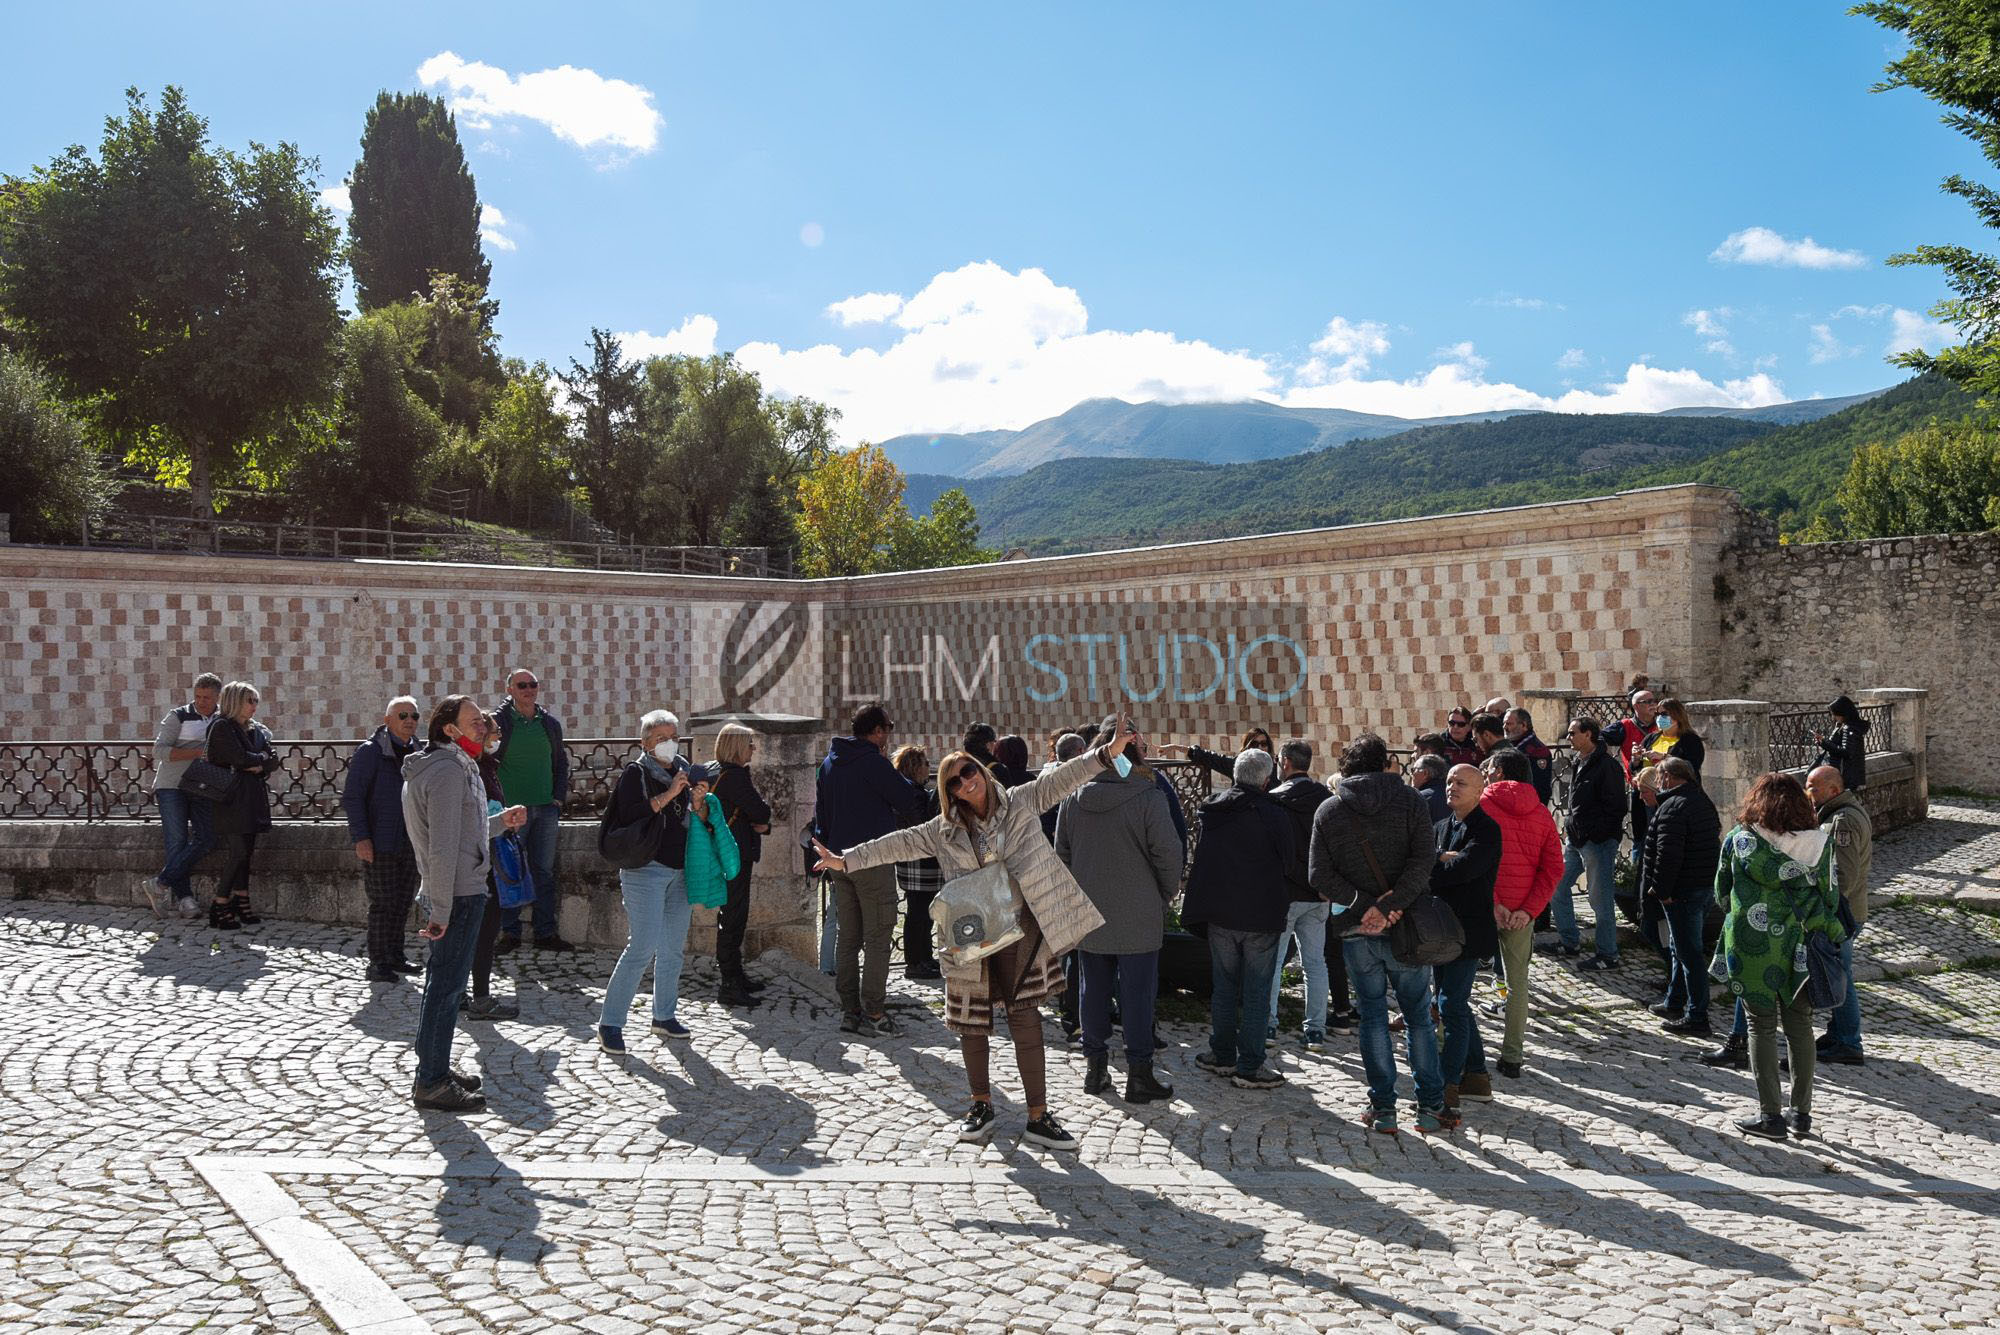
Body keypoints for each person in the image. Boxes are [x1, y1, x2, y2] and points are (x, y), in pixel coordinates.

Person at [811, 723, 1139, 1151]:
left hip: (1020, 928)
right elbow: (898, 843)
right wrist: (846, 860)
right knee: (971, 1024)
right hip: (971, 933)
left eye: (969, 772)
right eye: (954, 782)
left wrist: (1107, 753)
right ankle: (981, 1105)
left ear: (981, 771)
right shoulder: (943, 830)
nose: (966, 782)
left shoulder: (1021, 800)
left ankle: (1038, 1115)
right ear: (950, 792)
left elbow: (1065, 777)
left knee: (1025, 1018)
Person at [1311, 733, 1444, 1135]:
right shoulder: (1410, 801)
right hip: (1406, 926)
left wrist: (1365, 906)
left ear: (1346, 766)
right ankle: (1430, 1106)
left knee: (1371, 1016)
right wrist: (1389, 906)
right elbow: (1424, 860)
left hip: (1357, 928)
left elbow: (1318, 876)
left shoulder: (1330, 809)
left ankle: (1384, 1107)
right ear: (1386, 763)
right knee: (1418, 1015)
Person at [403, 694, 528, 1111]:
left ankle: (432, 1069)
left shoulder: (453, 766)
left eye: (483, 722)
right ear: (449, 728)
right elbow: (441, 847)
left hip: (457, 888)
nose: (484, 728)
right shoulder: (447, 771)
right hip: (456, 892)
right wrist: (440, 909)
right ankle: (432, 1081)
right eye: (475, 722)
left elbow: (461, 833)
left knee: (443, 985)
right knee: (446, 989)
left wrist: (498, 823)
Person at [1052, 719, 1181, 1103]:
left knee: (1092, 990)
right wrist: (1163, 893)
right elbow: (1168, 854)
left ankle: (1095, 1069)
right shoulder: (1149, 797)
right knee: (1137, 995)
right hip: (1138, 909)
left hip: (1090, 909)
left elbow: (1061, 854)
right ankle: (1139, 1074)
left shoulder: (1074, 798)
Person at [1715, 773, 1846, 1140]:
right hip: (1801, 945)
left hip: (1751, 944)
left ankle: (1770, 1115)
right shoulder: (1820, 845)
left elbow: (1721, 892)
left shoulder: (1739, 841)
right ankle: (1801, 1113)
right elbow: (1831, 896)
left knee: (1760, 1025)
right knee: (1800, 1024)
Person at [1181, 748, 1295, 1090]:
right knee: (1256, 992)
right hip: (1260, 914)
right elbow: (1288, 862)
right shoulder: (1274, 814)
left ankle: (1222, 1054)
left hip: (1221, 912)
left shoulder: (1214, 810)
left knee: (1225, 987)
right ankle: (1249, 1065)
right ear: (1266, 780)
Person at [596, 710, 706, 1052]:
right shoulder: (636, 773)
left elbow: (694, 818)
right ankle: (610, 1023)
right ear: (645, 743)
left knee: (673, 948)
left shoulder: (684, 771)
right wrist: (671, 793)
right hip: (645, 869)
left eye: (673, 737)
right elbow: (631, 814)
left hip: (680, 869)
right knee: (642, 946)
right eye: (661, 738)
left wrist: (698, 801)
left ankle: (664, 1015)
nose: (669, 744)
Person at [814, 704, 925, 1037]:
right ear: (877, 731)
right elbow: (907, 799)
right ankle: (874, 1012)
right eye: (888, 727)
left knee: (849, 937)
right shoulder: (873, 762)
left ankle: (850, 1010)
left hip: (838, 859)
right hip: (872, 858)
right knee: (878, 936)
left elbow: (822, 814)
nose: (888, 734)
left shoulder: (829, 763)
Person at [1479, 748, 1562, 1079]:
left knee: (1457, 979)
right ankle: (1512, 1055)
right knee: (1518, 983)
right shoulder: (1541, 813)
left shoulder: (1481, 806)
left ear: (1498, 772)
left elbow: (1475, 859)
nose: (1485, 773)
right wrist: (1528, 910)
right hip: (1520, 911)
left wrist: (1494, 902)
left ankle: (1447, 1044)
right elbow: (1553, 868)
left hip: (1482, 906)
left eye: (1489, 768)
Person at [1432, 764, 1501, 1122]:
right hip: (1439, 930)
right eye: (1449, 781)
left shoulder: (1487, 830)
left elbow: (1464, 871)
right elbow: (1428, 866)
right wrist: (1439, 859)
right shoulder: (1441, 827)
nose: (1452, 787)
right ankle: (1477, 1076)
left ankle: (1448, 1083)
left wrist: (1441, 864)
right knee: (1452, 1002)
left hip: (1468, 932)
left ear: (1479, 790)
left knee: (1451, 1004)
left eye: (1460, 783)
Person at [343, 696, 425, 982]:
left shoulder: (419, 752)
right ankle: (377, 962)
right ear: (388, 720)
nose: (409, 721)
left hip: (411, 840)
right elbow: (353, 797)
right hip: (380, 841)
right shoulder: (371, 752)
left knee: (403, 902)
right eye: (403, 716)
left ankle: (395, 955)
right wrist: (361, 838)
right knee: (382, 903)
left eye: (414, 716)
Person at [492, 667, 574, 954]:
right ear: (510, 690)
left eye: (533, 684)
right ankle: (509, 933)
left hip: (546, 808)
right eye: (522, 685)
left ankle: (545, 933)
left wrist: (558, 798)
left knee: (544, 872)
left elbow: (560, 762)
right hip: (511, 812)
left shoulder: (549, 723)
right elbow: (487, 762)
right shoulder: (499, 722)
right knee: (509, 870)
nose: (528, 689)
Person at [1639, 756, 1722, 1038]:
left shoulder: (1673, 806)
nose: (1659, 781)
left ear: (1670, 777)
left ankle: (1697, 1016)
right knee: (1679, 948)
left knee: (1689, 953)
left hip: (1683, 891)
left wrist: (1662, 891)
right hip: (1702, 886)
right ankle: (1674, 1002)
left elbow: (1668, 854)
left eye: (1660, 776)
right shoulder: (1701, 801)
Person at [1267, 740, 1342, 1047]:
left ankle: (1268, 1025)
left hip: (1285, 892)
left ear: (1285, 762)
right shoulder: (1327, 799)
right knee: (1315, 963)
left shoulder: (1275, 800)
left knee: (1273, 963)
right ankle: (1315, 1029)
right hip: (1317, 893)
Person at [1807, 763, 1873, 1066]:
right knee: (1838, 975)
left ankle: (1848, 1041)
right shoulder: (1838, 813)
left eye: (1813, 787)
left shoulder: (1842, 821)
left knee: (1841, 978)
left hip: (1842, 914)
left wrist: (1825, 912)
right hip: (1848, 911)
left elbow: (1843, 876)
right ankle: (1838, 1034)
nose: (1808, 792)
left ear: (1833, 790)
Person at [1549, 717, 1626, 969]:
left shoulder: (1606, 765)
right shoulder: (1579, 761)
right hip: (1576, 838)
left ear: (1588, 734)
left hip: (1597, 841)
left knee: (1599, 899)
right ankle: (1569, 941)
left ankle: (1608, 954)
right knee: (1557, 886)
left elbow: (1616, 806)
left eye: (1573, 733)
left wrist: (1596, 833)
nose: (1568, 737)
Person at [144, 671, 222, 919]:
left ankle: (160, 883)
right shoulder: (178, 716)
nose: (201, 702)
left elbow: (257, 730)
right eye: (198, 696)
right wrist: (198, 752)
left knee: (207, 838)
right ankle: (185, 899)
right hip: (172, 786)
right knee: (176, 841)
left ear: (217, 697)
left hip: (202, 787)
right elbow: (159, 751)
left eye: (206, 698)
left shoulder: (223, 718)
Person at [204, 681, 277, 931]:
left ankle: (241, 900)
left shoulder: (254, 729)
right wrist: (259, 760)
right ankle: (219, 904)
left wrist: (259, 763)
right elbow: (239, 758)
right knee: (237, 852)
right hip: (231, 799)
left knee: (247, 852)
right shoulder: (222, 727)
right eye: (249, 701)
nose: (254, 706)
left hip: (252, 797)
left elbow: (273, 759)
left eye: (256, 701)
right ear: (235, 701)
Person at [711, 721, 774, 1005]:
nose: (753, 749)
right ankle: (729, 983)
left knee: (732, 914)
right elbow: (760, 811)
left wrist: (761, 824)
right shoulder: (735, 777)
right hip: (735, 855)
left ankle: (735, 975)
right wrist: (761, 821)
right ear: (737, 747)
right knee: (733, 917)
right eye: (749, 744)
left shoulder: (721, 773)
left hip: (729, 852)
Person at [465, 708, 520, 1021]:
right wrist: (504, 819)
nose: (500, 737)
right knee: (483, 932)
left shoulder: (486, 767)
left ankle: (464, 993)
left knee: (477, 932)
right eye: (496, 731)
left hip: (484, 856)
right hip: (481, 860)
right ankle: (480, 997)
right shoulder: (475, 770)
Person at [891, 745, 944, 981]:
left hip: (915, 861)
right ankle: (915, 961)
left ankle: (924, 957)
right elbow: (922, 824)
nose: (928, 768)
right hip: (919, 862)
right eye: (925, 764)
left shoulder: (909, 790)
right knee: (918, 913)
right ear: (914, 767)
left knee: (922, 911)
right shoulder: (913, 793)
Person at [1635, 697, 1706, 779]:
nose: (1659, 717)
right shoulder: (1650, 738)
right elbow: (1635, 769)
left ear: (1678, 716)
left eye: (1664, 714)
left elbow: (1692, 767)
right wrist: (1636, 759)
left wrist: (1664, 757)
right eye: (1657, 714)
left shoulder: (1691, 739)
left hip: (1678, 786)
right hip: (1649, 785)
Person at [1814, 695, 1871, 793]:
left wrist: (1824, 743)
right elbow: (1837, 744)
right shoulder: (1846, 726)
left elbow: (1846, 752)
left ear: (1842, 713)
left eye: (1835, 714)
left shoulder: (1849, 728)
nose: (1833, 717)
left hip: (1847, 776)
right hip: (1848, 775)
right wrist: (1823, 742)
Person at [1500, 708, 1555, 805]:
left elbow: (1540, 786)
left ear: (1523, 725)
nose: (1504, 727)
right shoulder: (1512, 745)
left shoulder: (1537, 750)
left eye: (1509, 724)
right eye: (1504, 723)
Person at [1408, 754, 1450, 824]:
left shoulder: (1419, 798)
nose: (1411, 774)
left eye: (1413, 770)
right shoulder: (1452, 795)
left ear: (1425, 773)